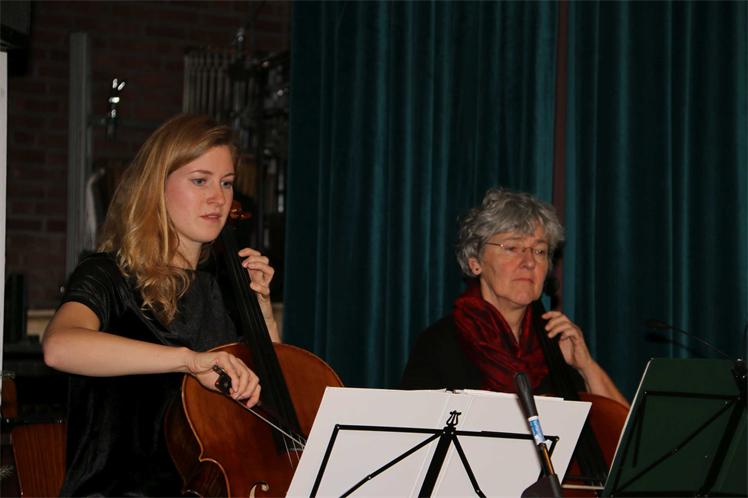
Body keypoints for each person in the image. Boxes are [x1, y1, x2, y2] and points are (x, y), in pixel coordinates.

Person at [42, 114, 280, 496]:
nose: (218, 198)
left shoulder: (225, 286)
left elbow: (271, 403)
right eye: (200, 180)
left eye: (226, 183)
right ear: (158, 186)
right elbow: (59, 347)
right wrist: (188, 360)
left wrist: (262, 310)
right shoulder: (107, 275)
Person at [400, 187, 628, 408]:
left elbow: (620, 428)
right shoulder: (441, 344)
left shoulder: (553, 342)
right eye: (511, 248)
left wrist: (585, 365)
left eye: (539, 251)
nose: (529, 262)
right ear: (475, 262)